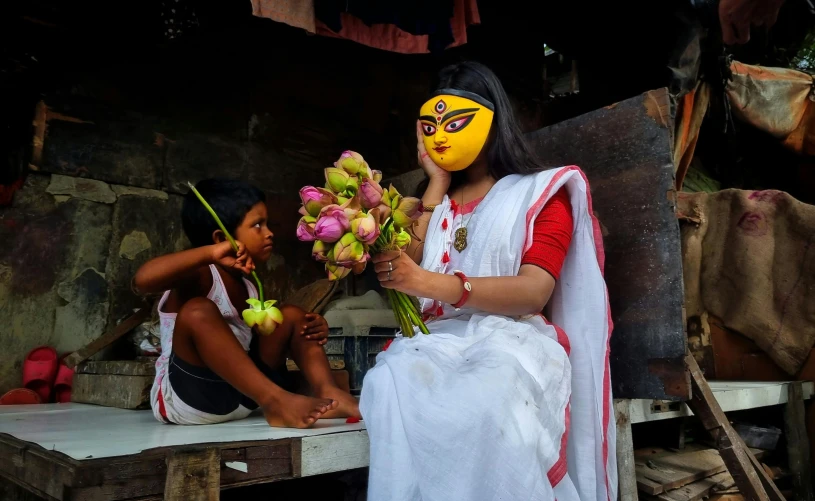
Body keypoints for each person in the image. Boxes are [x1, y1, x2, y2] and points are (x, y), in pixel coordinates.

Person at [359, 62, 616, 500]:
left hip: (510, 342)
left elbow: (535, 291)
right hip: (433, 343)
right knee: (388, 384)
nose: (440, 136)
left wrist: (430, 284)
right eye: (430, 126)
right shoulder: (425, 200)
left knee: (487, 393)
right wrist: (436, 183)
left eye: (455, 123)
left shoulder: (539, 194)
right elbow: (410, 260)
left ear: (495, 121)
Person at [133, 178, 360, 427]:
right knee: (198, 312)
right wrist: (208, 253)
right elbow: (143, 281)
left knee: (293, 315)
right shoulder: (201, 274)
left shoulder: (248, 283)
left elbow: (254, 341)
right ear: (221, 238)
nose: (270, 232)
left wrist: (309, 330)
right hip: (191, 399)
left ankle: (329, 391)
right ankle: (276, 402)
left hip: (242, 396)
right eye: (257, 225)